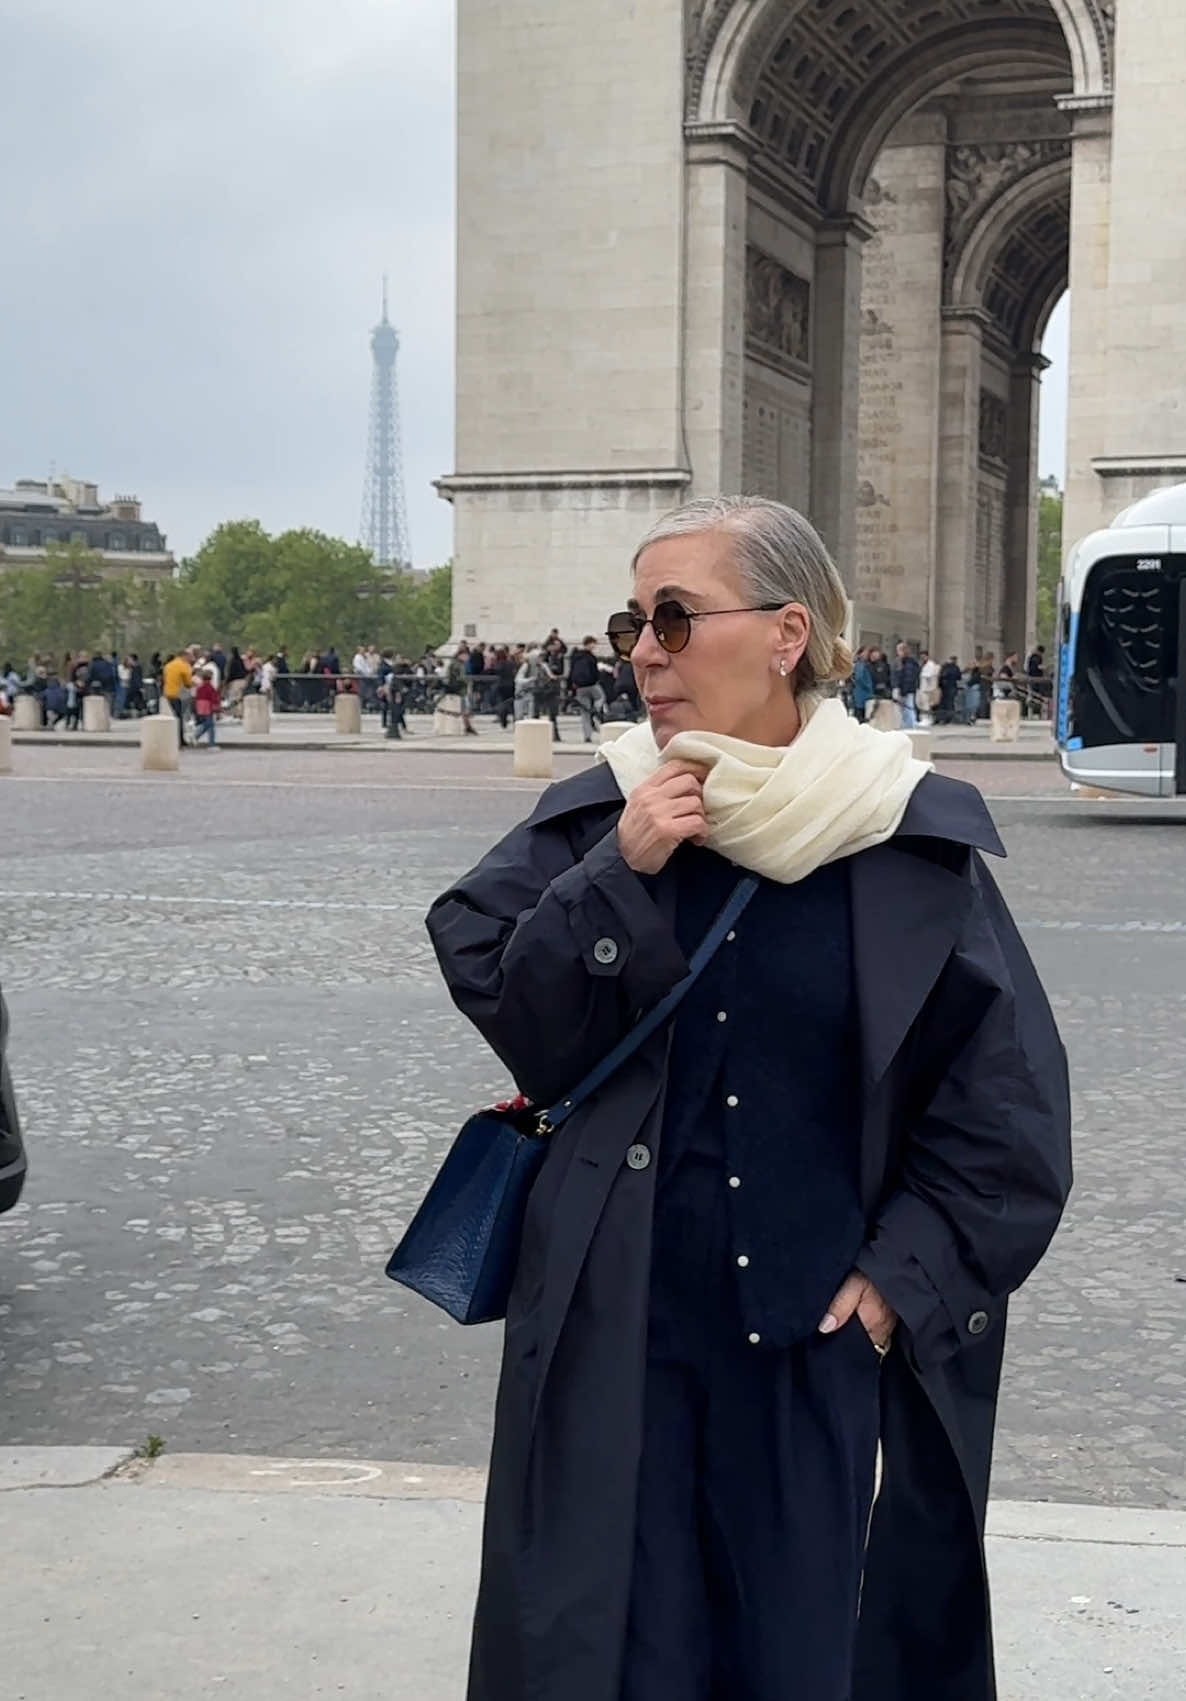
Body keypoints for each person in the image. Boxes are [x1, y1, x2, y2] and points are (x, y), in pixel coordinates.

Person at [425, 494, 1071, 1701]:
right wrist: (615, 873)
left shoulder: (905, 837)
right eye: (631, 621)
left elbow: (1007, 1102)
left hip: (807, 1350)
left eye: (675, 617)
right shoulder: (602, 816)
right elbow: (513, 1008)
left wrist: (900, 1282)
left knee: (799, 1649)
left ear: (787, 634)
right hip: (614, 1334)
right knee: (611, 1649)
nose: (644, 652)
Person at [568, 635, 603, 743]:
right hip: (591, 685)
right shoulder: (590, 657)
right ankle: (595, 710)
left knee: (584, 712)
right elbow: (595, 673)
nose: (595, 646)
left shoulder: (575, 656)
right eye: (594, 644)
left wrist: (571, 688)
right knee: (601, 697)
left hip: (580, 687)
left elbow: (571, 672)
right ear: (589, 643)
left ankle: (587, 735)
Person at [161, 647, 194, 746]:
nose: (190, 659)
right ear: (184, 656)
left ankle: (173, 738)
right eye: (189, 657)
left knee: (174, 717)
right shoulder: (184, 666)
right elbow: (188, 683)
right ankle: (180, 740)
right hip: (179, 694)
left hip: (168, 693)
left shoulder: (168, 665)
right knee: (179, 717)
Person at [891, 641, 920, 729]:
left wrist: (903, 690)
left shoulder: (910, 662)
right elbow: (895, 676)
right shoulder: (898, 661)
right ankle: (903, 725)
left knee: (908, 708)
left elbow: (909, 677)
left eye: (899, 650)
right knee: (902, 709)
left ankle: (910, 726)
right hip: (900, 688)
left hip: (907, 690)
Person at [192, 668, 221, 748]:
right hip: (208, 706)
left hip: (200, 706)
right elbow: (213, 698)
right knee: (210, 725)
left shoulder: (200, 687)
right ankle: (210, 743)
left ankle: (197, 736)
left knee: (208, 724)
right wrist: (217, 706)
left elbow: (197, 698)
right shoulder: (210, 687)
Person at [849, 645, 874, 720]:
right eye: (865, 652)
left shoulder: (863, 664)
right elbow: (859, 678)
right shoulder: (860, 664)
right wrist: (868, 686)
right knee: (861, 715)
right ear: (860, 653)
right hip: (861, 694)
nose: (867, 654)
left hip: (862, 694)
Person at [937, 654, 961, 725]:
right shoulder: (955, 667)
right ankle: (947, 718)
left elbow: (941, 676)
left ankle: (943, 718)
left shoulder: (945, 667)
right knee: (949, 704)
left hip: (946, 688)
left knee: (945, 704)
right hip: (951, 687)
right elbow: (959, 677)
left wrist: (940, 685)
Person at [919, 649, 940, 726]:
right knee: (923, 704)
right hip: (923, 687)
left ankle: (927, 719)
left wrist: (930, 689)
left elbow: (930, 676)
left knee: (927, 705)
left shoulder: (931, 665)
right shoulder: (923, 664)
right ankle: (925, 718)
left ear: (927, 656)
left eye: (923, 656)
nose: (922, 658)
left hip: (928, 688)